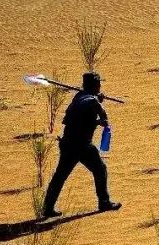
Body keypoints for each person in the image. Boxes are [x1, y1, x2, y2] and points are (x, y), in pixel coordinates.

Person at [40, 72, 121, 218]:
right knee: (100, 169)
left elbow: (81, 118)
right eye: (98, 84)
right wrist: (99, 112)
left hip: (69, 143)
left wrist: (97, 111)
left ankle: (47, 208)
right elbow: (95, 111)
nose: (100, 86)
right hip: (81, 145)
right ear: (95, 85)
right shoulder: (89, 100)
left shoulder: (79, 97)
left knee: (60, 176)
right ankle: (104, 202)